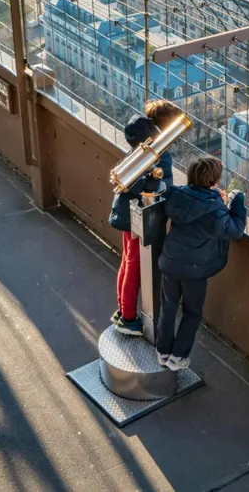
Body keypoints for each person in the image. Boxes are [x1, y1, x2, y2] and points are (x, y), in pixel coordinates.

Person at [156, 156, 246, 370]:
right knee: (192, 312)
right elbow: (235, 230)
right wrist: (237, 202)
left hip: (170, 261)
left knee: (168, 307)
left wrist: (215, 199)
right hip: (195, 270)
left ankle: (163, 351)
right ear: (214, 181)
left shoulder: (176, 195)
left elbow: (191, 203)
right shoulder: (215, 211)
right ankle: (178, 357)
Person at [108, 99, 181, 336]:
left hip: (126, 208)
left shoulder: (143, 142)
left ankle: (122, 310)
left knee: (127, 261)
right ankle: (128, 318)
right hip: (139, 214)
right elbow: (164, 187)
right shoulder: (159, 153)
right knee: (134, 266)